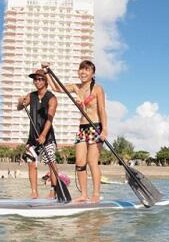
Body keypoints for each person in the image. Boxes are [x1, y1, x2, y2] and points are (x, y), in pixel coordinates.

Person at [44, 60, 108, 203]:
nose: (83, 72)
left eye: (87, 70)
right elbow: (57, 88)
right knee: (79, 163)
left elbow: (102, 110)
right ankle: (84, 195)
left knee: (92, 162)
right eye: (81, 69)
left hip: (95, 126)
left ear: (92, 74)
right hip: (82, 128)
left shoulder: (97, 89)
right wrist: (47, 72)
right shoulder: (75, 87)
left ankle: (96, 194)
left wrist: (104, 129)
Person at [17, 68, 61, 199]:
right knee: (31, 163)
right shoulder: (31, 95)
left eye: (41, 79)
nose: (37, 81)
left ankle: (54, 190)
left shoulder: (52, 98)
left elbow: (50, 118)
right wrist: (20, 102)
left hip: (47, 137)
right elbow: (20, 108)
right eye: (35, 79)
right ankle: (34, 192)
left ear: (46, 81)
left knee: (51, 163)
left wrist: (43, 135)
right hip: (32, 138)